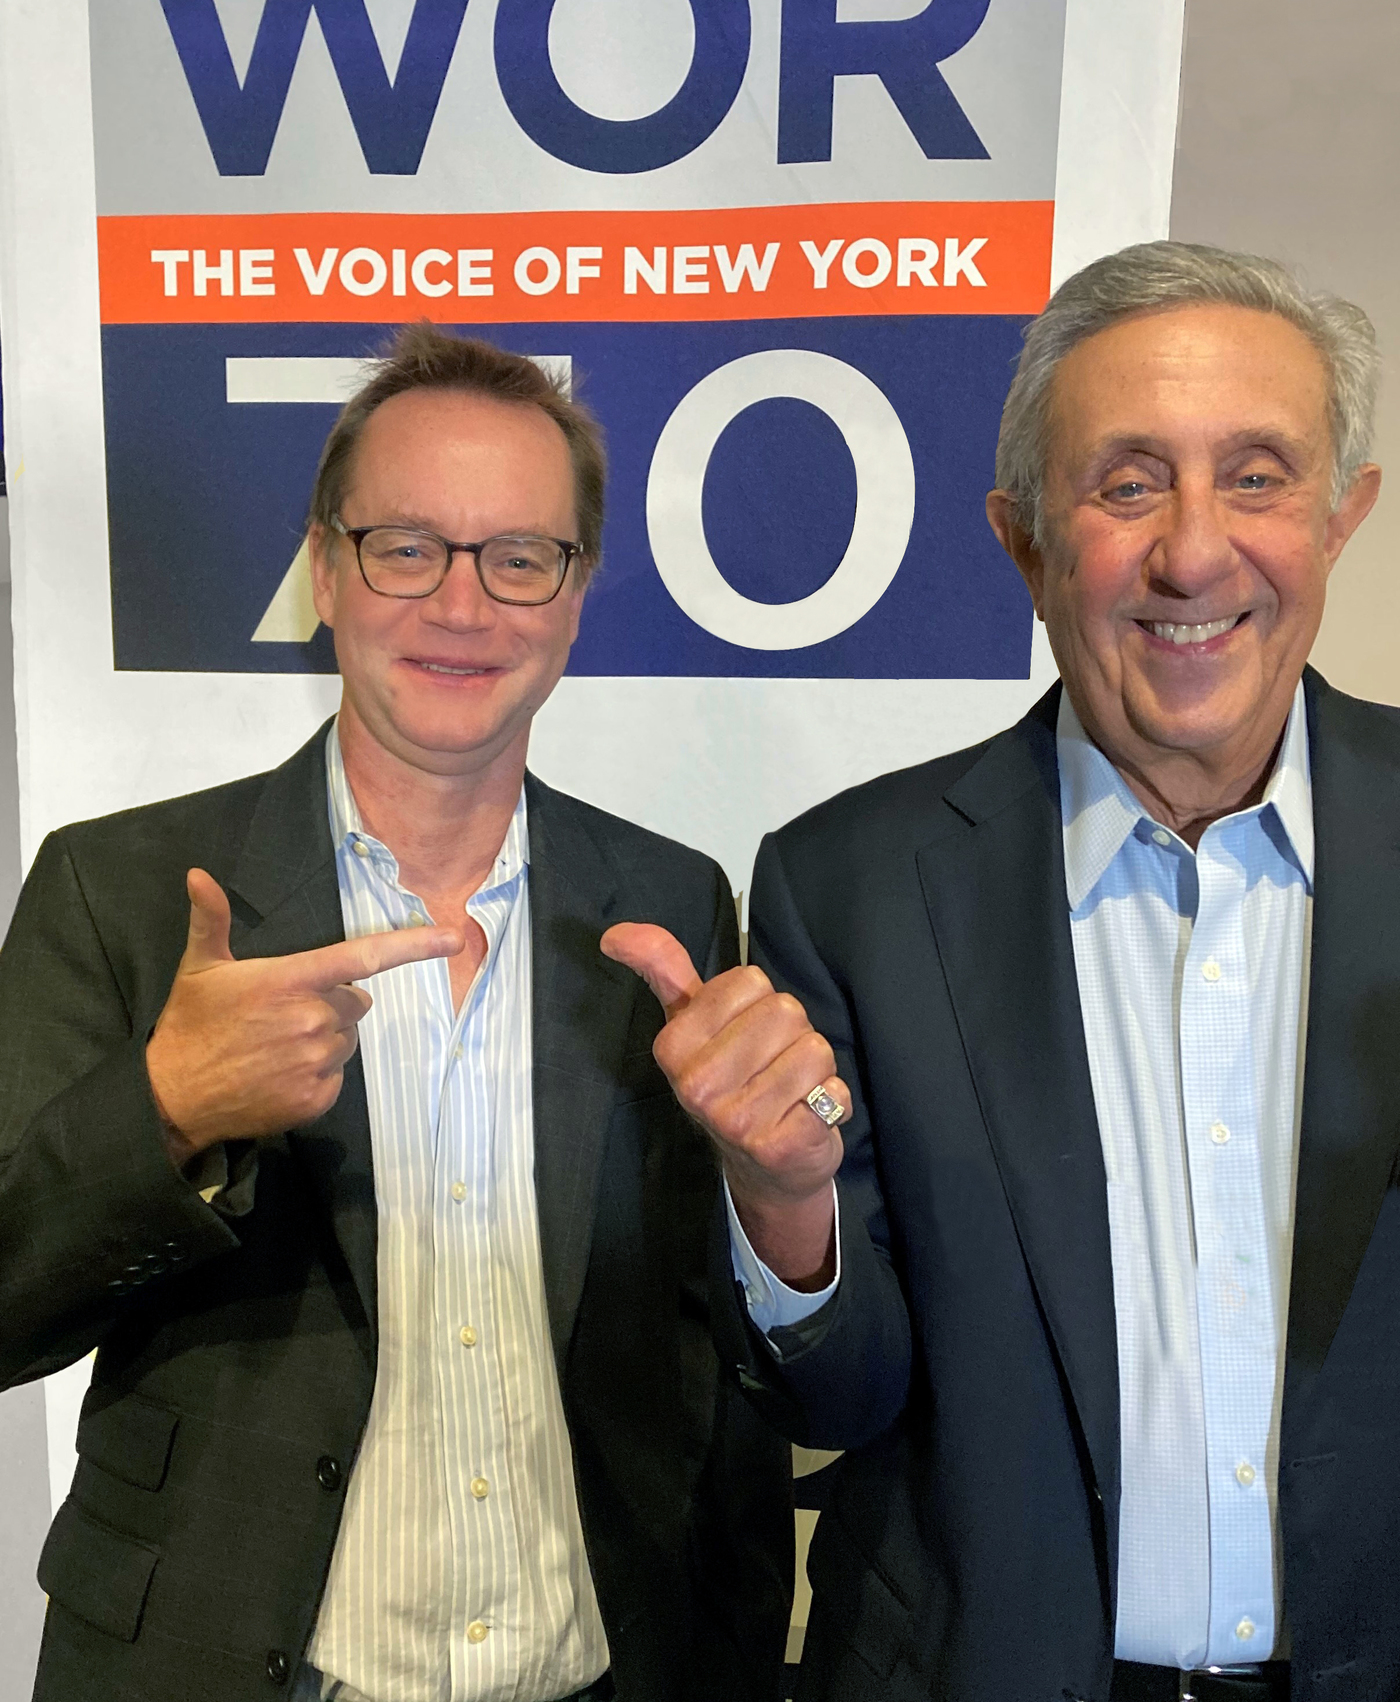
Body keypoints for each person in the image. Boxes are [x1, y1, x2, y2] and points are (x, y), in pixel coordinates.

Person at [606, 242, 1399, 1702]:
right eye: (1128, 483)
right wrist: (783, 1209)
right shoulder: (847, 885)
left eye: (1259, 475)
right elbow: (842, 1395)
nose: (1195, 552)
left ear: (1341, 519)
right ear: (1025, 542)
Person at [0, 326, 791, 1702]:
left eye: (519, 557)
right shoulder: (115, 889)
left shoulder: (667, 902)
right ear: (326, 565)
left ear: (577, 592)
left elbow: (686, 1331)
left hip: (600, 1668)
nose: (464, 607)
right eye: (407, 546)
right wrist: (167, 1113)